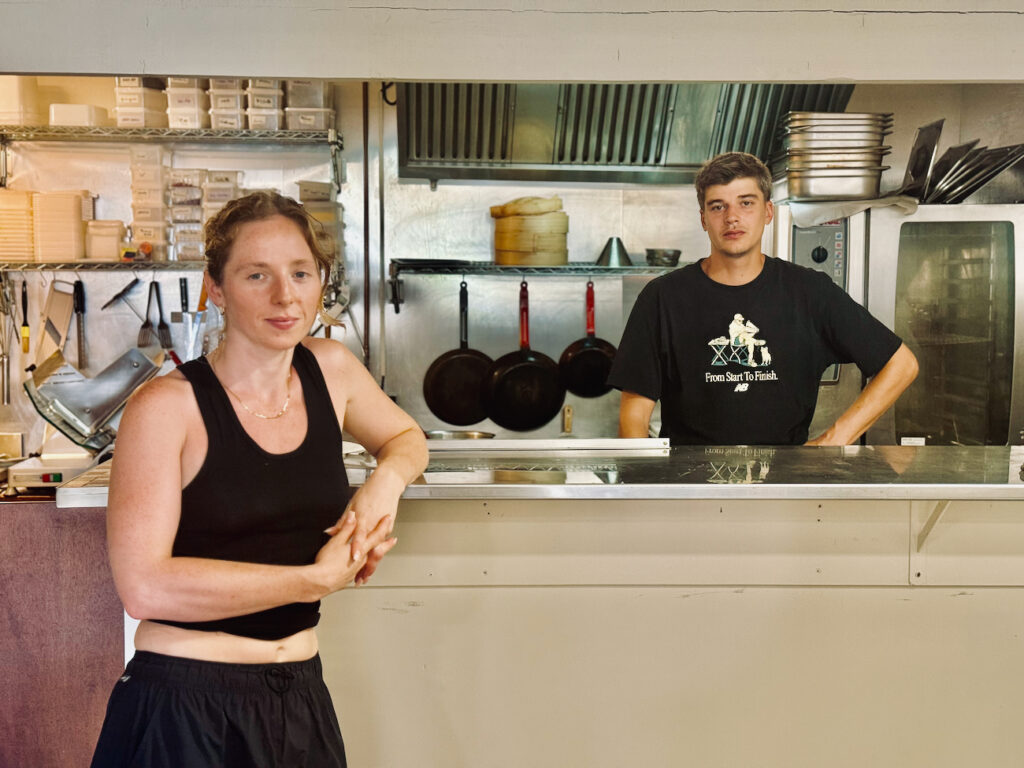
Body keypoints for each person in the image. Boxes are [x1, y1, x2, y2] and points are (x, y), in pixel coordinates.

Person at [90, 190, 429, 767]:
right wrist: (311, 581)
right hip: (183, 708)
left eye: (301, 273)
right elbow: (145, 586)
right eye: (256, 275)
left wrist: (383, 485)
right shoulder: (167, 408)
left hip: (299, 697)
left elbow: (406, 440)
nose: (285, 296)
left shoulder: (332, 368)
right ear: (215, 288)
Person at [608, 151, 918, 446]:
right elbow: (632, 421)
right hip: (689, 489)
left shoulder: (809, 292)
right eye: (718, 206)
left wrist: (832, 441)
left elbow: (901, 364)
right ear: (703, 219)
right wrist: (651, 485)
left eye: (746, 203)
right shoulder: (662, 298)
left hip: (783, 488)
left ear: (767, 212)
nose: (732, 217)